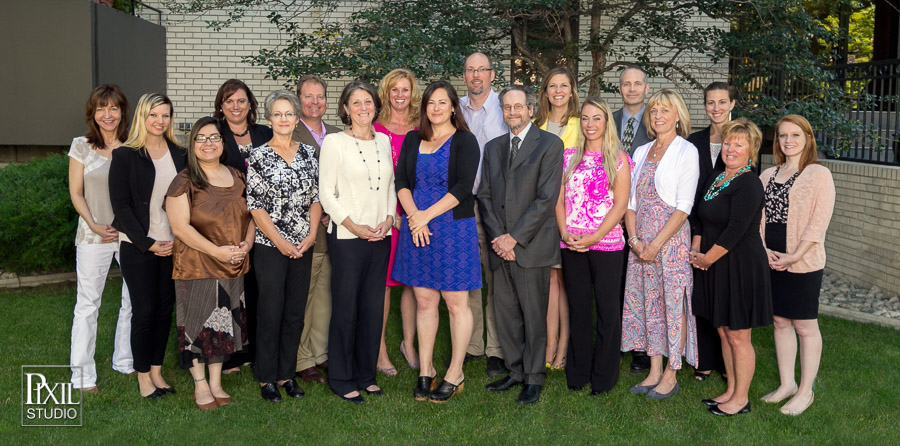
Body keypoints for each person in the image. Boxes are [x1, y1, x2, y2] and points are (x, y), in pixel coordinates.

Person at [393, 81, 481, 403]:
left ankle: (455, 372)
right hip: (419, 229)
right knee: (425, 301)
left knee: (456, 303)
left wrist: (424, 216)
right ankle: (425, 371)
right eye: (431, 103)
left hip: (453, 229)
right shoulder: (413, 139)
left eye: (443, 102)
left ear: (453, 107)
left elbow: (462, 188)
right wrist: (414, 215)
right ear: (425, 107)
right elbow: (402, 180)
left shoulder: (465, 141)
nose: (437, 108)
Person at [478, 85, 564, 406]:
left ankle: (534, 376)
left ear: (530, 109)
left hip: (531, 245)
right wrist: (500, 238)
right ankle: (514, 370)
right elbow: (485, 195)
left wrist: (514, 238)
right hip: (500, 246)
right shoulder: (494, 147)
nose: (512, 112)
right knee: (506, 313)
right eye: (506, 107)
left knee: (532, 314)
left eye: (518, 107)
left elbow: (545, 199)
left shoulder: (550, 145)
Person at [165, 117, 254, 410]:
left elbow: (251, 216)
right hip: (197, 266)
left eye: (214, 137)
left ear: (222, 142)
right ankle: (200, 385)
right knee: (196, 328)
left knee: (221, 328)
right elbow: (180, 228)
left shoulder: (236, 176)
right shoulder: (184, 180)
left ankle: (216, 382)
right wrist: (217, 252)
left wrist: (247, 244)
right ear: (192, 145)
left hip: (232, 265)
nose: (208, 143)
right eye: (201, 138)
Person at [319, 80, 396, 404]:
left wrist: (389, 220)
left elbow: (391, 188)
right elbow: (326, 193)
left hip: (381, 237)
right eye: (356, 103)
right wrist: (353, 224)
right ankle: (340, 376)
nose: (363, 108)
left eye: (368, 102)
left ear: (375, 106)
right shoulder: (335, 143)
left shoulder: (383, 141)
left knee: (372, 308)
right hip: (348, 237)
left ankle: (366, 374)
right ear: (346, 109)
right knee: (345, 307)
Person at [691, 117, 773, 416]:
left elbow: (736, 229)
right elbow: (700, 217)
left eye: (739, 144)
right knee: (724, 330)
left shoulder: (749, 182)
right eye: (727, 142)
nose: (731, 148)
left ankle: (741, 398)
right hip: (713, 263)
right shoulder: (717, 177)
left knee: (739, 334)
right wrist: (696, 247)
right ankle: (729, 390)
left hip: (740, 266)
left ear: (751, 151)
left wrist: (706, 259)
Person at [621, 89, 699, 400]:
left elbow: (683, 206)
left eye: (665, 111)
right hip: (640, 245)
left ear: (677, 115)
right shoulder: (641, 151)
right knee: (647, 305)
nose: (658, 116)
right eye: (654, 111)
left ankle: (671, 372)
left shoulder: (686, 151)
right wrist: (636, 241)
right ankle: (654, 369)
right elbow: (629, 202)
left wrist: (656, 244)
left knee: (671, 305)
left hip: (670, 242)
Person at [109, 93, 186, 399]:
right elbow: (122, 206)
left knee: (165, 310)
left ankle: (156, 370)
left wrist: (178, 238)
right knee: (144, 310)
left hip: (173, 245)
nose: (160, 121)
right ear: (142, 117)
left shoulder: (179, 153)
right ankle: (143, 376)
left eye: (165, 115)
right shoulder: (126, 155)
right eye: (153, 115)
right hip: (138, 246)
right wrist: (148, 243)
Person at [246, 90, 321, 403]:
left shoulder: (308, 153)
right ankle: (266, 377)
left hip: (303, 244)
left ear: (296, 118)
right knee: (271, 310)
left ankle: (286, 374)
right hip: (270, 245)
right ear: (268, 119)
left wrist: (311, 235)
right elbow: (255, 205)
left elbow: (316, 198)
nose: (284, 119)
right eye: (277, 114)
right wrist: (280, 242)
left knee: (294, 312)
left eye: (289, 113)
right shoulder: (258, 156)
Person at [758, 114, 835, 416]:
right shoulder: (767, 174)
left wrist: (794, 256)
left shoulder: (818, 174)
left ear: (807, 139)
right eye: (782, 136)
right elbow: (758, 219)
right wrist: (764, 250)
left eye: (795, 135)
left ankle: (806, 391)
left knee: (804, 325)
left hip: (803, 260)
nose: (788, 141)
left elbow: (818, 224)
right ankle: (787, 384)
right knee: (780, 321)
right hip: (771, 258)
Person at [556, 98, 632, 395]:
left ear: (606, 123)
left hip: (607, 246)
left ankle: (604, 376)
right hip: (572, 244)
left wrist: (595, 237)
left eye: (596, 118)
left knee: (607, 311)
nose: (590, 124)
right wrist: (564, 232)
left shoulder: (618, 159)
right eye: (585, 119)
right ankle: (578, 373)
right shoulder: (568, 157)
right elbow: (558, 199)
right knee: (578, 308)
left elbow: (621, 204)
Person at [68, 84, 135, 393]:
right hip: (93, 235)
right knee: (88, 305)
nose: (107, 115)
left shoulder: (134, 145)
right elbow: (76, 192)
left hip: (129, 234)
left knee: (133, 300)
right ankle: (82, 376)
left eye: (113, 108)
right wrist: (94, 225)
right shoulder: (80, 145)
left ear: (122, 111)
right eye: (101, 108)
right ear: (92, 113)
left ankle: (125, 361)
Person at [213, 79, 272, 375]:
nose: (235, 107)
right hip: (230, 222)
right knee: (231, 289)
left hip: (267, 223)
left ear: (250, 104)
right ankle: (230, 353)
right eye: (229, 101)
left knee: (259, 288)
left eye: (241, 101)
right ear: (221, 107)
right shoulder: (215, 136)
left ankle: (257, 349)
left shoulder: (266, 134)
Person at [459, 52, 509, 377]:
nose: (476, 76)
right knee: (467, 276)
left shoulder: (505, 109)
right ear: (464, 76)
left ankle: (497, 349)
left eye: (482, 70)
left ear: (492, 75)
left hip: (494, 202)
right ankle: (472, 344)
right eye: (470, 70)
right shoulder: (455, 109)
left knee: (497, 276)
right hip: (461, 202)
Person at [686, 81, 738, 381]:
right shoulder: (694, 141)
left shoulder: (742, 138)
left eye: (722, 102)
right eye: (710, 103)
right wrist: (695, 231)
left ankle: (726, 362)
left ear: (732, 104)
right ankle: (704, 359)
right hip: (700, 226)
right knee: (702, 296)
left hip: (729, 230)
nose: (716, 108)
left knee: (725, 297)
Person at [291, 75, 341, 384]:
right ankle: (301, 357)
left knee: (325, 293)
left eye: (320, 96)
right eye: (308, 97)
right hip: (305, 229)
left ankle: (321, 353)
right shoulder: (289, 132)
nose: (314, 102)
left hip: (336, 230)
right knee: (304, 295)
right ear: (298, 100)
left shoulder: (336, 134)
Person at [374, 68, 422, 375]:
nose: (400, 95)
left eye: (405, 90)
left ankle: (408, 343)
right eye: (395, 90)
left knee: (413, 283)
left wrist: (414, 215)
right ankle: (379, 351)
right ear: (386, 93)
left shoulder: (422, 127)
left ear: (412, 92)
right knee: (384, 286)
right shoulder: (375, 128)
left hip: (417, 214)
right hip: (386, 215)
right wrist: (394, 217)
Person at [533, 66, 580, 370]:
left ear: (572, 90)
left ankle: (563, 347)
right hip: (538, 212)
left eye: (564, 85)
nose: (558, 91)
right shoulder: (535, 123)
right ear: (545, 92)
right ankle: (547, 345)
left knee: (565, 280)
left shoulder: (581, 122)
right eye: (553, 86)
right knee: (548, 281)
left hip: (570, 211)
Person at [613, 64, 652, 373]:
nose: (632, 89)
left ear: (646, 88)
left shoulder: (655, 123)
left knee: (639, 281)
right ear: (620, 88)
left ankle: (642, 347)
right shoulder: (608, 121)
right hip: (608, 212)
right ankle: (615, 338)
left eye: (637, 83)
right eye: (627, 84)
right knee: (614, 281)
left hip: (642, 213)